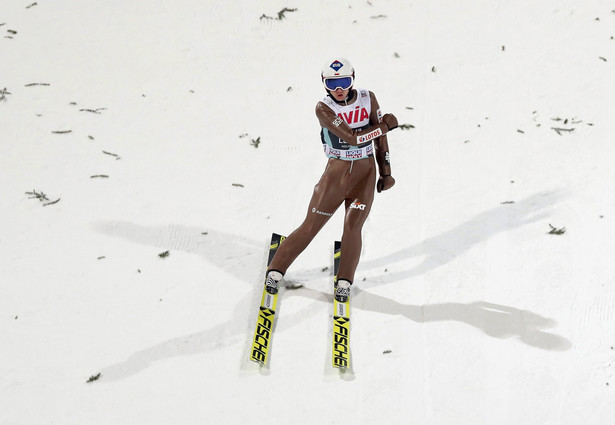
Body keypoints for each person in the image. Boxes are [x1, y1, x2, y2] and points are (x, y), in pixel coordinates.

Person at [265, 57, 398, 302]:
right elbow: (352, 138)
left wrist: (386, 171)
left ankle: (345, 281)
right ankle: (276, 269)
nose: (339, 89)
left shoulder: (368, 98)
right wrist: (384, 127)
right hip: (335, 174)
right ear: (324, 84)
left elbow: (379, 140)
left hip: (365, 174)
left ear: (353, 79)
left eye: (344, 82)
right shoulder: (323, 108)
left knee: (352, 227)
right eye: (332, 83)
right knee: (311, 226)